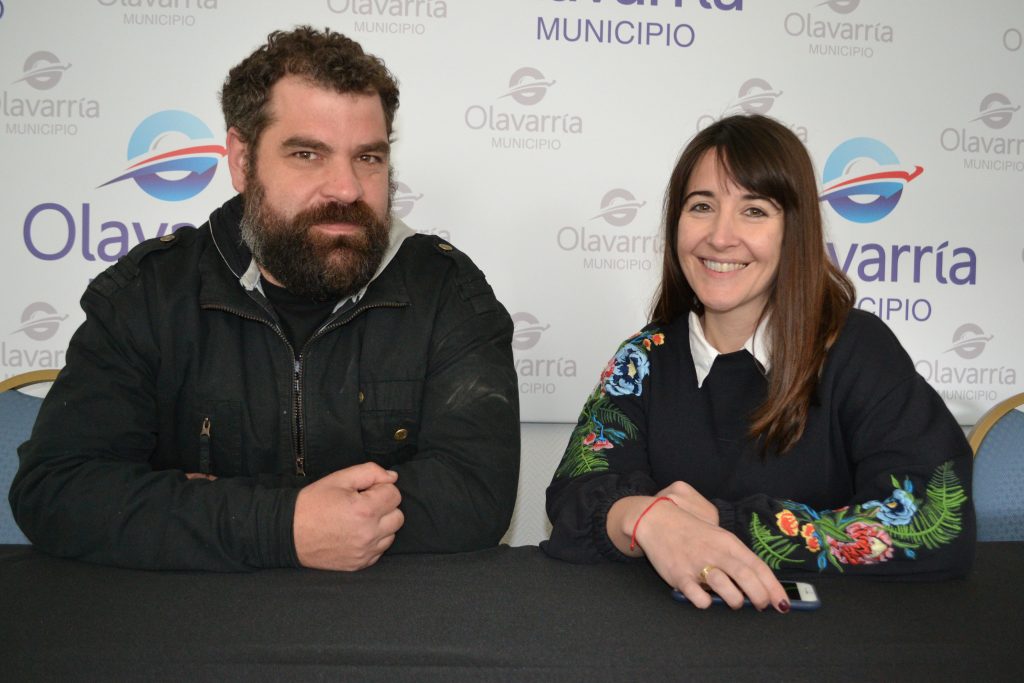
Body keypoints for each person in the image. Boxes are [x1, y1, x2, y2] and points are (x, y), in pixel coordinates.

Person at [10, 27, 520, 572]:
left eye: (368, 157)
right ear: (241, 160)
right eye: (307, 154)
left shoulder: (444, 289)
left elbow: (475, 496)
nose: (347, 188)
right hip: (190, 618)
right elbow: (59, 490)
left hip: (389, 617)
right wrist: (285, 525)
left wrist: (207, 505)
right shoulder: (150, 293)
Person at [542, 115, 974, 612]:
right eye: (701, 206)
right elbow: (573, 499)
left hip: (826, 642)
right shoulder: (643, 359)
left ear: (794, 231)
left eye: (754, 210)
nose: (720, 236)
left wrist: (723, 526)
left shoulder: (858, 349)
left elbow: (938, 521)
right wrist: (649, 521)